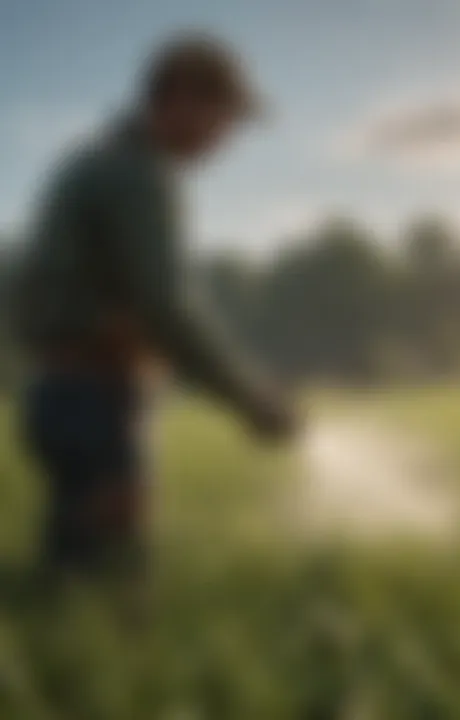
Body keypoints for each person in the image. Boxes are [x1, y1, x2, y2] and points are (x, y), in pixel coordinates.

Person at [10, 33, 296, 581]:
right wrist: (250, 396)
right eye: (225, 117)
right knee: (106, 597)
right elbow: (167, 307)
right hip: (92, 401)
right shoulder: (138, 176)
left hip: (63, 394)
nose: (226, 137)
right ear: (181, 99)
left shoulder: (99, 160)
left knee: (70, 580)